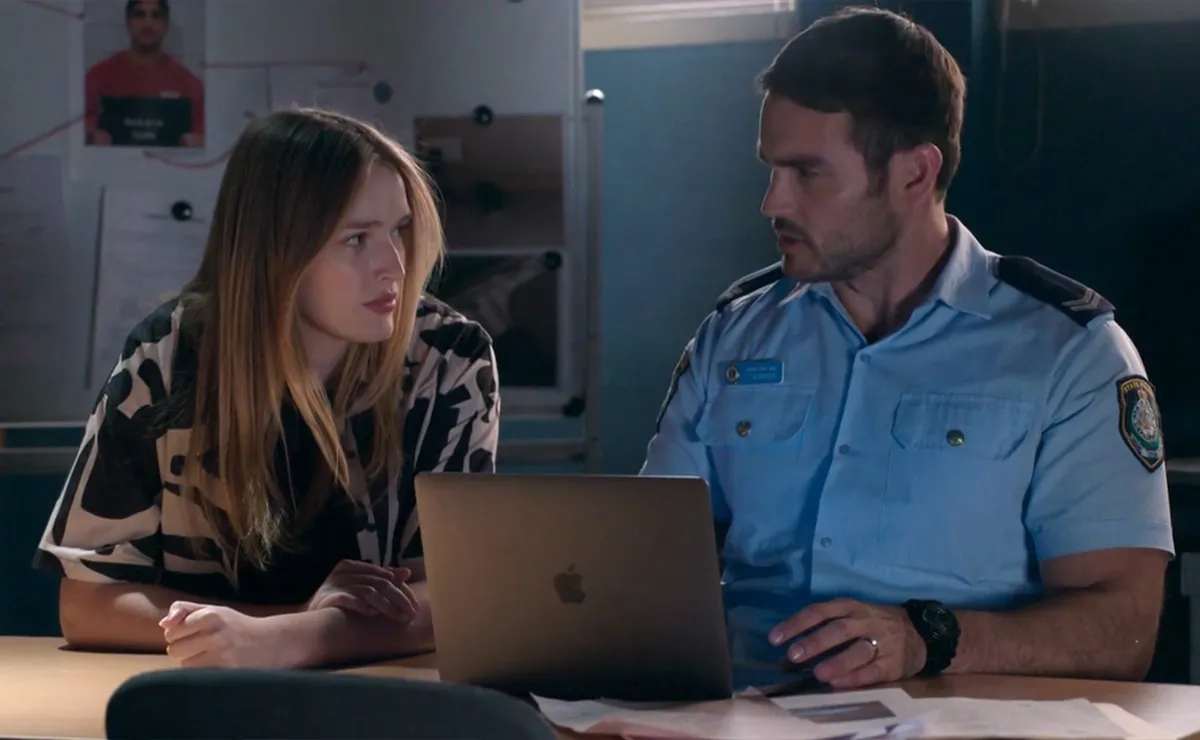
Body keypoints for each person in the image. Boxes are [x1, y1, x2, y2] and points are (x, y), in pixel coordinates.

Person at [642, 7, 1173, 689]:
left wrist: (930, 639)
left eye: (807, 173)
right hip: (738, 714)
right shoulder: (734, 335)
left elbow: (1124, 627)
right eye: (771, 169)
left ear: (916, 174)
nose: (773, 202)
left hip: (948, 720)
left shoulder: (1069, 354)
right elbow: (645, 561)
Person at [34, 108, 500, 669]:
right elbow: (89, 604)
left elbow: (456, 597)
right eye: (356, 239)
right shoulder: (168, 354)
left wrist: (289, 638)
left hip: (382, 695)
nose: (394, 267)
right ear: (276, 250)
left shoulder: (446, 356)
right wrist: (281, 624)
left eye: (398, 229)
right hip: (206, 694)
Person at [85, 0, 205, 148]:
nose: (148, 23)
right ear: (127, 22)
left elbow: (207, 135)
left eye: (156, 15)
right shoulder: (97, 77)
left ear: (166, 24)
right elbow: (76, 128)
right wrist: (89, 136)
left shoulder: (191, 84)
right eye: (139, 15)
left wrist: (200, 143)